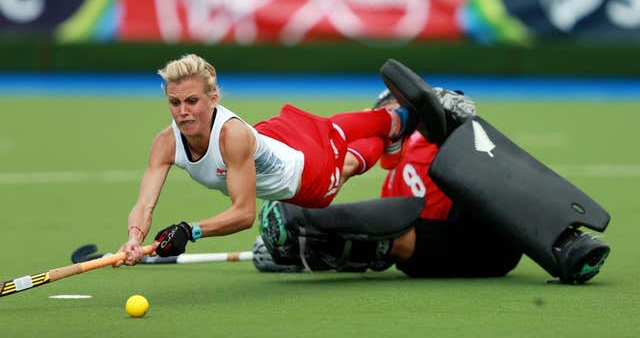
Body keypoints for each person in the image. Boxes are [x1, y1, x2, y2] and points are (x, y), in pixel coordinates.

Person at [254, 85, 611, 284]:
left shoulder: (435, 135)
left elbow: (470, 133)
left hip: (493, 229)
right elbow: (349, 168)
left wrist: (449, 105)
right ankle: (299, 247)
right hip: (452, 250)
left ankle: (569, 243)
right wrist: (297, 252)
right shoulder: (388, 175)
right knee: (387, 230)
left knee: (398, 217)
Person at [115, 54, 435, 266]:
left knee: (333, 132)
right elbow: (145, 204)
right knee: (337, 140)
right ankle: (391, 130)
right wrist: (133, 238)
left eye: (192, 101)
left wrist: (191, 230)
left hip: (307, 171)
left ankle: (399, 122)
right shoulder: (165, 143)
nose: (183, 111)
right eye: (174, 102)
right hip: (288, 161)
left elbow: (243, 213)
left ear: (213, 99)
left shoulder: (232, 136)